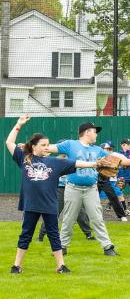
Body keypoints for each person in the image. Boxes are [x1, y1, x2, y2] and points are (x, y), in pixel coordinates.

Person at [7, 115, 97, 274]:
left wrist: (95, 164)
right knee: (26, 234)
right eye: (43, 145)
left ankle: (60, 266)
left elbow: (77, 163)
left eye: (48, 145)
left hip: (49, 204)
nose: (47, 147)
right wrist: (19, 124)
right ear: (34, 147)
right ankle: (17, 265)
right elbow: (9, 143)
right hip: (31, 204)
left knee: (54, 235)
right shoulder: (25, 158)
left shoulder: (56, 162)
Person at [47, 122, 130, 256]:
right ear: (87, 132)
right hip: (73, 188)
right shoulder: (70, 144)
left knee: (97, 218)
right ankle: (62, 246)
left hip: (91, 189)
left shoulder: (97, 149)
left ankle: (107, 247)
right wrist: (30, 147)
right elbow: (49, 148)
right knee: (68, 219)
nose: (96, 134)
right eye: (94, 131)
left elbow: (116, 159)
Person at [38, 152, 95, 241]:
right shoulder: (54, 162)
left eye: (65, 153)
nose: (64, 155)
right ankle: (41, 236)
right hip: (59, 190)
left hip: (73, 189)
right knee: (53, 212)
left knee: (80, 213)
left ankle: (88, 234)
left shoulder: (73, 162)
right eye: (62, 153)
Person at [98, 142, 129, 221]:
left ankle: (122, 216)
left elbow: (125, 160)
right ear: (102, 149)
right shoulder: (97, 155)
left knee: (113, 197)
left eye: (110, 149)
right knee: (90, 199)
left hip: (105, 180)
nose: (109, 150)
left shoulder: (114, 156)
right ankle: (82, 216)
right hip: (95, 180)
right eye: (107, 149)